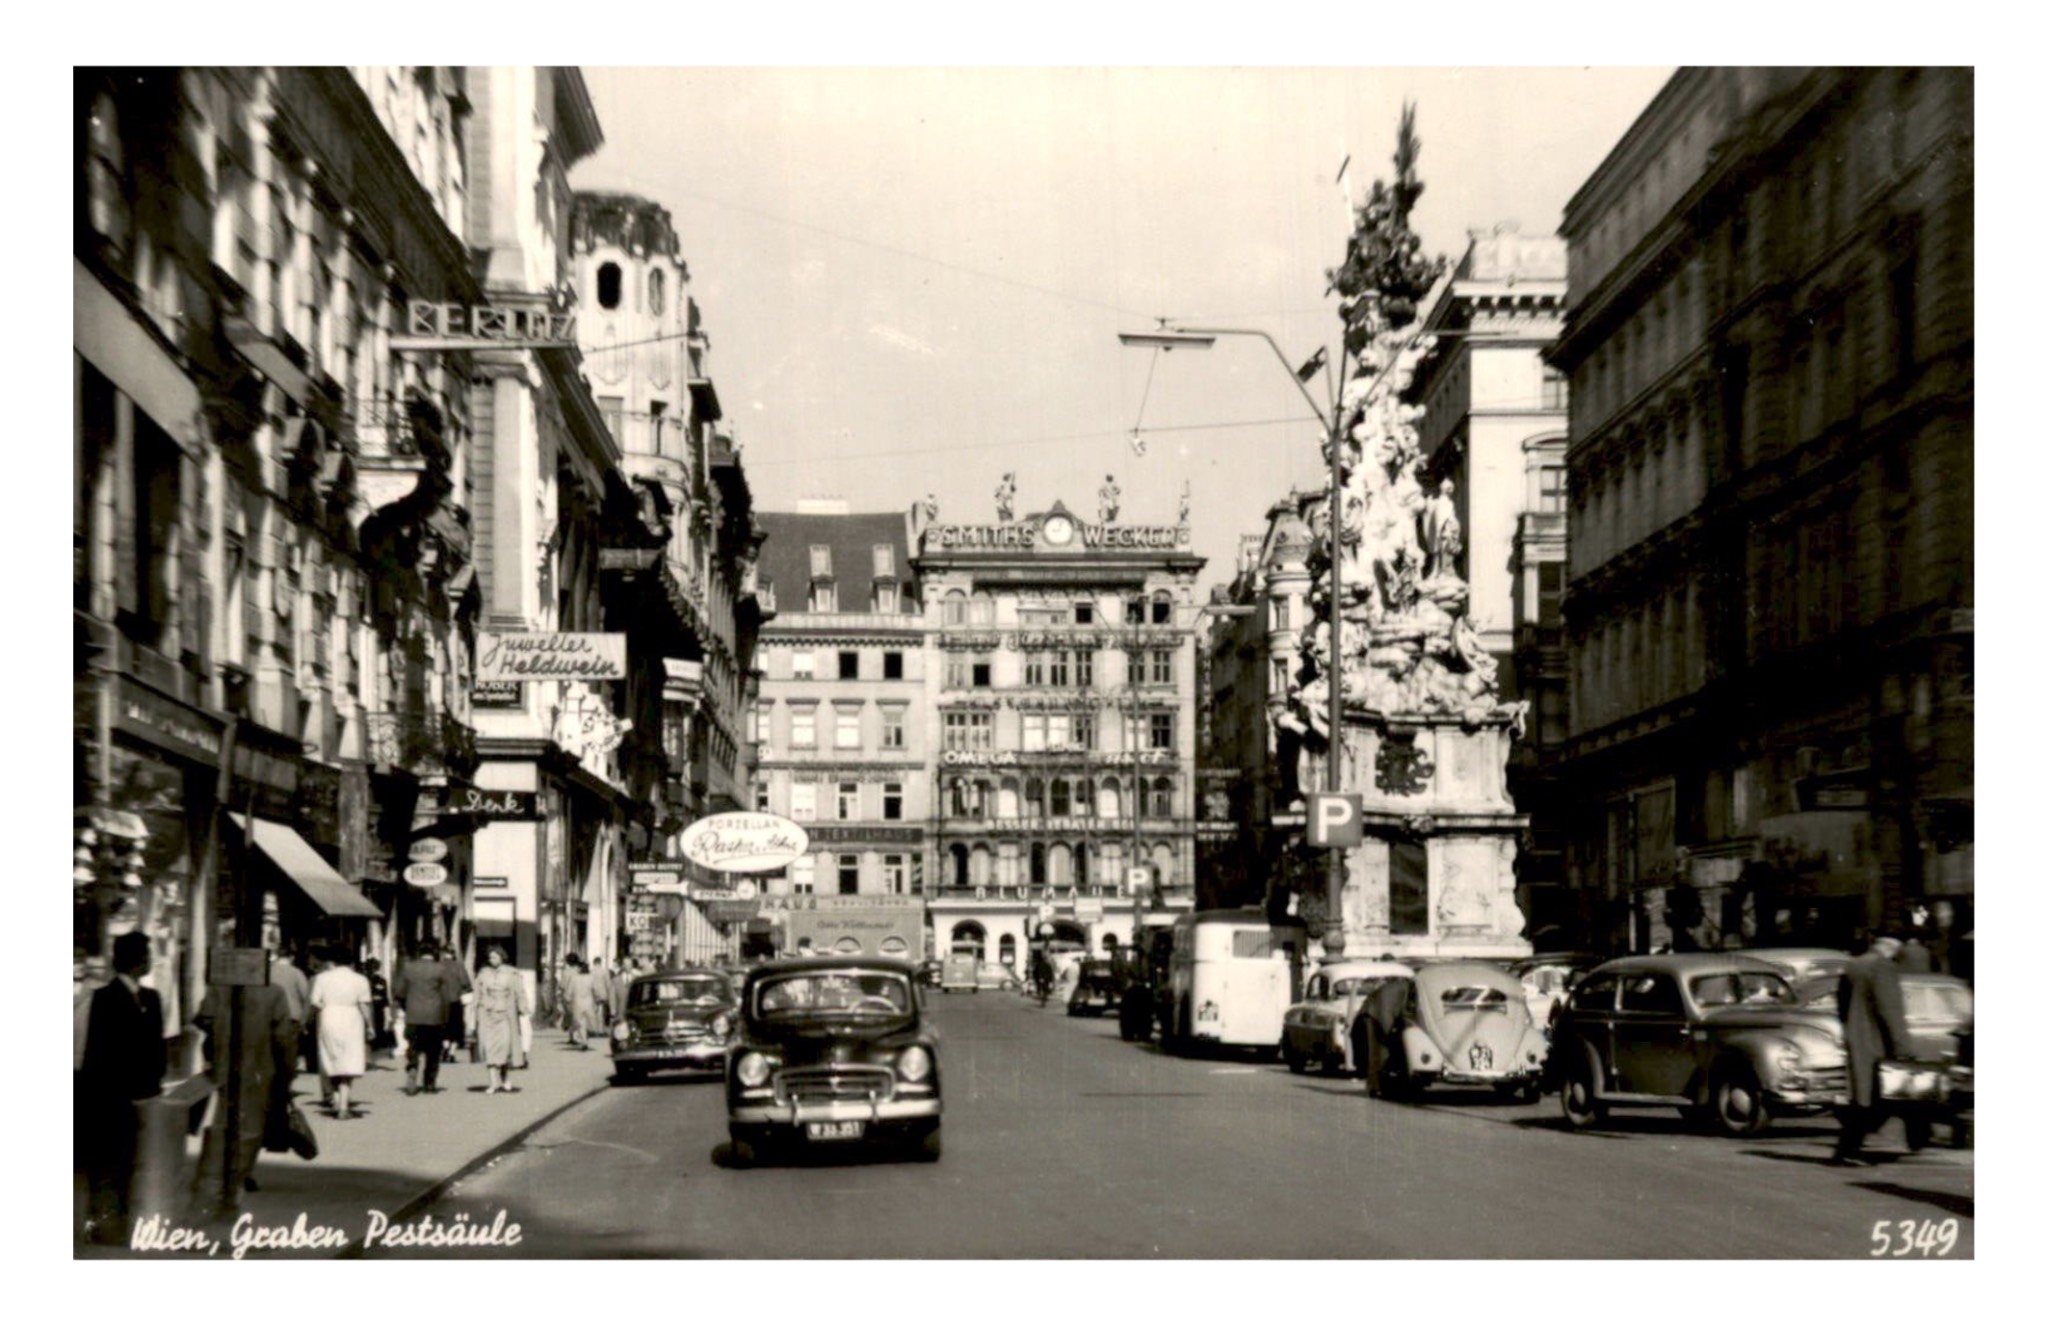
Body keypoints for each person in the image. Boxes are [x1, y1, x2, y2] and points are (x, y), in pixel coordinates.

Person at [78, 933, 166, 1245]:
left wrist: (154, 1084)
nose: (149, 960)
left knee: (131, 1160)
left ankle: (123, 1221)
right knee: (107, 1162)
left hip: (143, 1094)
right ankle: (102, 1226)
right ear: (136, 960)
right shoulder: (103, 998)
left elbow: (157, 1047)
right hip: (109, 1095)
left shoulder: (151, 998)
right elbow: (97, 1052)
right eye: (146, 954)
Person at [193, 964, 297, 1218]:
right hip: (260, 1067)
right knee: (252, 1123)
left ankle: (218, 1178)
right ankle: (238, 1178)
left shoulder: (218, 989)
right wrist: (287, 1070)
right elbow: (283, 1036)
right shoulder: (274, 992)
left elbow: (203, 1019)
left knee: (222, 1120)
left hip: (223, 1066)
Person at [1832, 930, 1911, 1166]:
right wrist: (1902, 1045)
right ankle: (1856, 1148)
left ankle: (1848, 1148)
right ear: (1893, 947)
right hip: (1877, 1041)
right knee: (1878, 1096)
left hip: (1857, 1038)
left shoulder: (1854, 964)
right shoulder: (1883, 967)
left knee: (1864, 1096)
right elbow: (1890, 1010)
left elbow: (1842, 1006)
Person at [309, 948, 373, 1120]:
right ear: (351, 963)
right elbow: (364, 1005)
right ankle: (344, 1104)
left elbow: (314, 1001)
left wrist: (327, 1008)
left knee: (330, 1058)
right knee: (349, 1059)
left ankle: (336, 1098)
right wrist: (370, 1026)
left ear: (332, 962)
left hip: (329, 1016)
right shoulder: (360, 979)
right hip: (352, 1018)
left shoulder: (322, 978)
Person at [393, 946, 463, 1094]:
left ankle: (412, 1067)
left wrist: (407, 1006)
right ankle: (429, 1082)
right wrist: (445, 1016)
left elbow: (399, 991)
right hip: (435, 1016)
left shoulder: (408, 968)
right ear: (435, 954)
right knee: (433, 1051)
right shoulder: (441, 969)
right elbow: (447, 995)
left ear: (419, 954)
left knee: (413, 1047)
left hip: (414, 1015)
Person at [474, 947, 529, 1093]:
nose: (492, 960)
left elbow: (519, 992)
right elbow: (477, 993)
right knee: (489, 1048)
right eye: (490, 957)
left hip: (506, 1015)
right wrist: (474, 1011)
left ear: (502, 957)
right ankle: (493, 1082)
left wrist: (523, 1007)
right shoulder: (483, 974)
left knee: (504, 1048)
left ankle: (505, 1079)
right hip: (488, 1015)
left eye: (495, 957)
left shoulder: (512, 973)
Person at [564, 956, 598, 1050]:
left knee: (581, 1023)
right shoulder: (591, 978)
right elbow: (595, 990)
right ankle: (585, 1039)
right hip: (589, 1003)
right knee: (588, 1023)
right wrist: (597, 1000)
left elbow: (569, 992)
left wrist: (567, 999)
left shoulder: (574, 978)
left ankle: (584, 1041)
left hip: (577, 1003)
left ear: (579, 969)